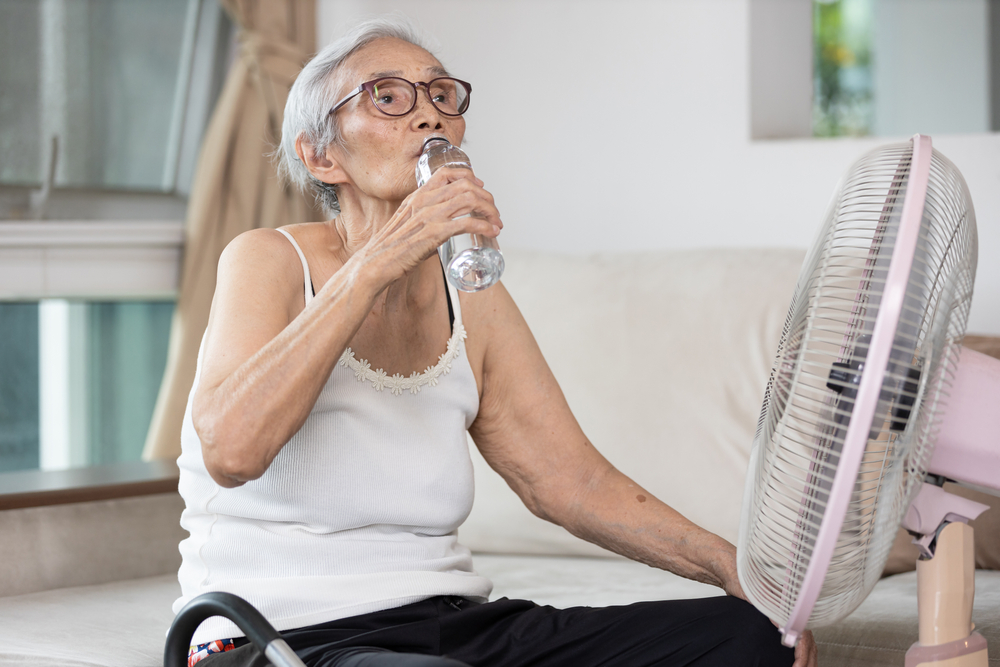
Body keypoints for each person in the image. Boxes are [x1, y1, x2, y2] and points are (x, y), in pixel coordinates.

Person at [174, 16, 818, 667]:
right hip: (281, 633)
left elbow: (568, 482)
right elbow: (232, 450)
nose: (429, 114)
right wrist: (376, 264)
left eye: (441, 95)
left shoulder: (472, 294)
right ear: (321, 155)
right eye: (387, 96)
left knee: (753, 635)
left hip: (448, 623)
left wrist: (730, 566)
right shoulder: (268, 258)